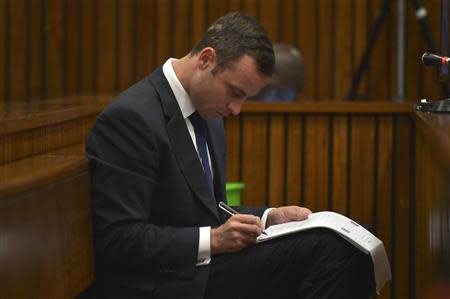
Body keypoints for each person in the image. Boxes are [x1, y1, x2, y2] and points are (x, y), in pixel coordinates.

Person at [86, 12, 375, 299]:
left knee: (349, 245)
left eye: (246, 98)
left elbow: (207, 209)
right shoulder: (131, 118)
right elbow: (117, 240)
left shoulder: (209, 113)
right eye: (235, 92)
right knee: (330, 252)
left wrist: (268, 218)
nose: (237, 109)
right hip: (162, 281)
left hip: (201, 268)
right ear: (206, 59)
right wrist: (214, 239)